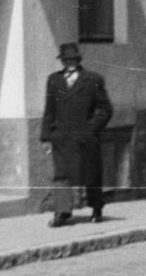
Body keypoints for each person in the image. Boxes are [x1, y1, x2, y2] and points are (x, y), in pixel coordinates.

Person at [40, 42, 113, 227]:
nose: (69, 63)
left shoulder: (93, 80)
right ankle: (62, 213)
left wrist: (91, 128)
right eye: (66, 60)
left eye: (73, 59)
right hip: (62, 137)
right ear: (62, 61)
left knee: (91, 174)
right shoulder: (54, 81)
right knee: (61, 175)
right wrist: (46, 137)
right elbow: (50, 110)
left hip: (85, 137)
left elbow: (105, 109)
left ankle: (97, 209)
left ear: (79, 60)